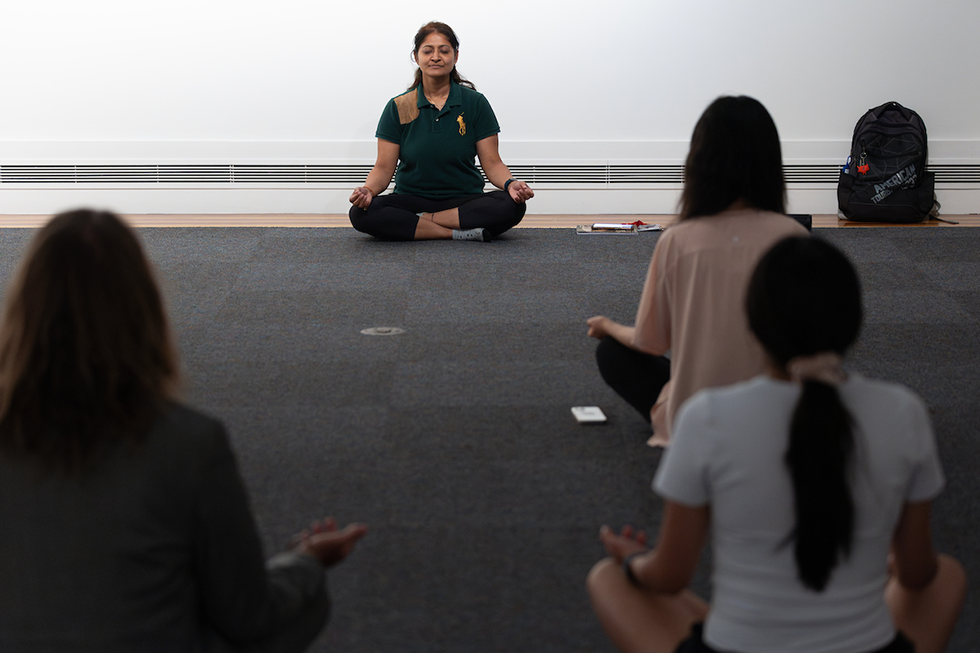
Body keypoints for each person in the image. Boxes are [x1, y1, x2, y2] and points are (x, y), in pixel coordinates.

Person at [0, 209, 368, 652]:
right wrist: (306, 561)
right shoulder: (189, 442)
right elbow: (249, 615)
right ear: (143, 309)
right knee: (288, 608)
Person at [587, 236, 966, 653]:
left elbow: (670, 576)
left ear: (753, 322)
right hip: (867, 646)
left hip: (737, 645)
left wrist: (630, 561)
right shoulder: (902, 411)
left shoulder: (708, 415)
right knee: (946, 573)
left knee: (607, 579)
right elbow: (917, 574)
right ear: (852, 320)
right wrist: (886, 562)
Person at [587, 96, 808, 446]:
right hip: (778, 422)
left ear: (699, 161)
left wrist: (608, 327)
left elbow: (649, 341)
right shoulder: (795, 238)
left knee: (612, 352)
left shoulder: (679, 241)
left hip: (696, 421)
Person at [348, 21, 534, 242]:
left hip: (464, 199)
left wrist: (511, 184)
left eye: (444, 51)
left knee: (511, 206)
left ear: (455, 57)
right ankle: (456, 233)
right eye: (428, 51)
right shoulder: (401, 105)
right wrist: (368, 190)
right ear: (416, 57)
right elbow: (383, 167)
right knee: (361, 213)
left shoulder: (475, 103)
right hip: (411, 198)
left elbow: (492, 163)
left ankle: (420, 221)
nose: (436, 57)